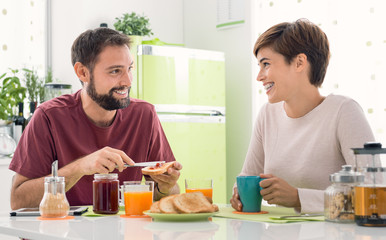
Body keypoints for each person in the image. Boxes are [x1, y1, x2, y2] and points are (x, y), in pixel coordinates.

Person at [9, 27, 182, 209]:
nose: (128, 81)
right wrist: (80, 167)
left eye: (129, 69)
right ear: (83, 73)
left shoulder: (144, 115)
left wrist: (165, 187)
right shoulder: (48, 117)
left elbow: (167, 196)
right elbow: (18, 201)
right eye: (115, 71)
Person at [230, 19, 375, 213]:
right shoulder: (267, 114)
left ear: (299, 63)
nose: (259, 76)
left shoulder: (344, 111)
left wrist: (299, 197)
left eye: (266, 64)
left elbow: (372, 194)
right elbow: (248, 176)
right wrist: (239, 194)